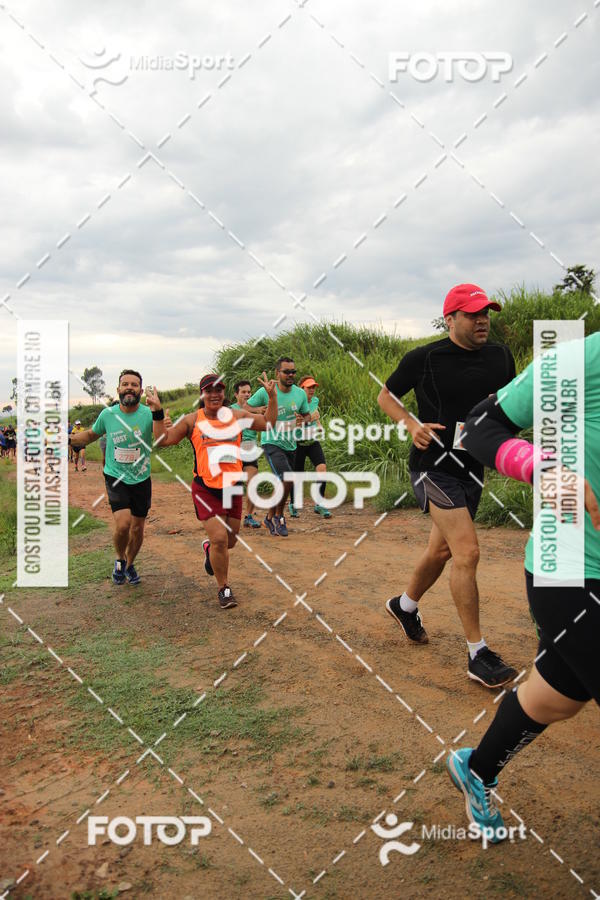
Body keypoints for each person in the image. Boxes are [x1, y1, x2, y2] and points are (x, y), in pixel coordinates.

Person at [447, 331, 600, 842]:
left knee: (559, 694)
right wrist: (544, 468)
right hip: (572, 569)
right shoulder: (583, 360)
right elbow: (476, 428)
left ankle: (479, 768)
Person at [377, 283, 517, 688]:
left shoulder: (500, 356)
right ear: (450, 318)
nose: (483, 320)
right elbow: (387, 395)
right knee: (467, 552)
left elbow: (508, 401)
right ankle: (478, 654)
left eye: (486, 312)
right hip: (432, 467)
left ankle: (404, 606)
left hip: (472, 468)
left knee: (440, 550)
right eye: (473, 314)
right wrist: (410, 423)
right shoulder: (425, 358)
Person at [146, 372, 277, 609]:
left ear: (224, 393)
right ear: (202, 394)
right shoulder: (191, 421)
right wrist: (157, 412)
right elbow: (163, 440)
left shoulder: (237, 416)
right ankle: (224, 588)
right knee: (219, 538)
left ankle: (209, 550)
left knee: (230, 540)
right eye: (209, 390)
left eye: (218, 390)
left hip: (232, 485)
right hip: (206, 488)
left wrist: (272, 396)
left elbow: (268, 423)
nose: (214, 394)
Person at [70, 369, 152, 586]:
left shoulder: (148, 414)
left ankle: (130, 563)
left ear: (141, 391)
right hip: (115, 476)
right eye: (125, 384)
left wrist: (163, 417)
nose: (129, 388)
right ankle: (120, 558)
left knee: (137, 528)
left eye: (134, 385)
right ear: (118, 389)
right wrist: (69, 440)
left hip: (142, 477)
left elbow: (163, 435)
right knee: (124, 524)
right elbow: (91, 435)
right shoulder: (107, 415)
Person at [245, 357, 311, 537]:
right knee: (287, 478)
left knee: (281, 483)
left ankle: (268, 516)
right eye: (286, 372)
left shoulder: (300, 394)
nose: (291, 375)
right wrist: (259, 411)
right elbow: (245, 407)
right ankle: (279, 517)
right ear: (277, 373)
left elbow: (307, 416)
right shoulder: (265, 392)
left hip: (291, 444)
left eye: (293, 372)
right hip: (271, 442)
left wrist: (303, 421)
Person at [289, 375, 331, 519]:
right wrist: (311, 417)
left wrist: (319, 426)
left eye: (314, 387)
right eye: (309, 387)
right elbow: (297, 423)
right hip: (298, 442)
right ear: (302, 389)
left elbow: (316, 418)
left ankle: (319, 504)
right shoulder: (295, 402)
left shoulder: (315, 401)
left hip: (312, 440)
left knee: (322, 469)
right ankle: (293, 504)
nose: (312, 390)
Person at [231, 380, 262, 528]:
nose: (247, 394)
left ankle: (248, 516)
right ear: (236, 394)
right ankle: (228, 516)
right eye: (243, 392)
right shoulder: (231, 409)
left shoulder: (255, 409)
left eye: (249, 392)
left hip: (250, 447)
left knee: (252, 482)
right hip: (234, 448)